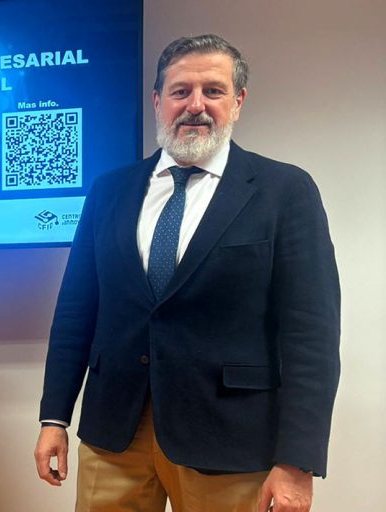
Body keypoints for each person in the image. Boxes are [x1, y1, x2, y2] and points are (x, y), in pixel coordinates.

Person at [34, 35, 340, 512]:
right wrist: (54, 417)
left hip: (230, 441)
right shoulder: (109, 191)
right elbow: (76, 310)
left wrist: (298, 460)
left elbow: (311, 336)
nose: (195, 105)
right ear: (158, 101)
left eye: (213, 91)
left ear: (237, 101)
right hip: (114, 434)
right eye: (181, 91)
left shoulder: (285, 190)